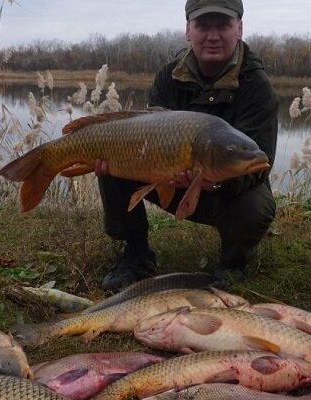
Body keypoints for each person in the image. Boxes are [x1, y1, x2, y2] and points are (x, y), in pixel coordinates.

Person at [96, 0, 279, 293]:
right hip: (173, 177)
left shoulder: (257, 88)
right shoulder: (168, 77)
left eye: (223, 25)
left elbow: (260, 163)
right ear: (188, 30)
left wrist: (214, 184)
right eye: (203, 25)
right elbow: (145, 139)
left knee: (255, 205)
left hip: (226, 188)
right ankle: (136, 253)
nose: (213, 35)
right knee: (114, 161)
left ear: (240, 29)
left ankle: (235, 262)